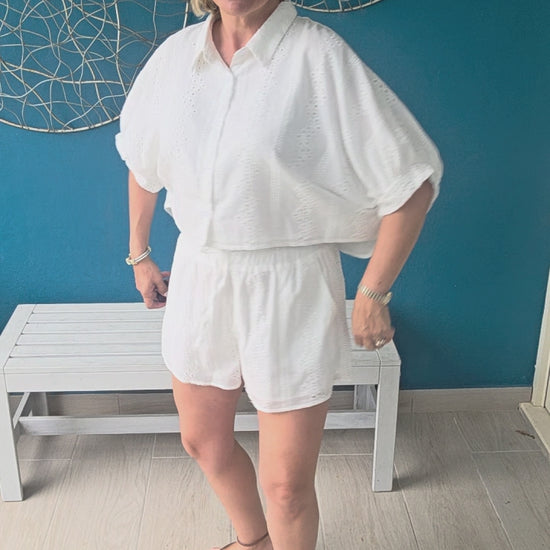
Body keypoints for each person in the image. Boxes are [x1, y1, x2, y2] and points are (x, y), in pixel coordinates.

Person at [115, 0, 443, 548]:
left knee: (287, 485)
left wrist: (373, 291)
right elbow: (143, 163)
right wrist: (139, 253)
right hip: (200, 276)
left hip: (290, 284)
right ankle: (254, 541)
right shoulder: (174, 58)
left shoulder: (318, 55)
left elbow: (412, 182)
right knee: (202, 442)